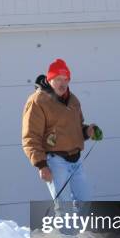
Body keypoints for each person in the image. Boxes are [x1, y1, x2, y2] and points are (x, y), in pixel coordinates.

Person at [22, 58, 102, 213]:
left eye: (66, 79)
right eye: (58, 79)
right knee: (64, 209)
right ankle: (63, 236)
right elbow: (30, 137)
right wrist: (41, 165)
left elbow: (75, 128)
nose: (62, 83)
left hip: (76, 161)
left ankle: (83, 236)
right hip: (55, 162)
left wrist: (87, 132)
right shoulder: (37, 101)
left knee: (85, 205)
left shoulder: (73, 100)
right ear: (49, 79)